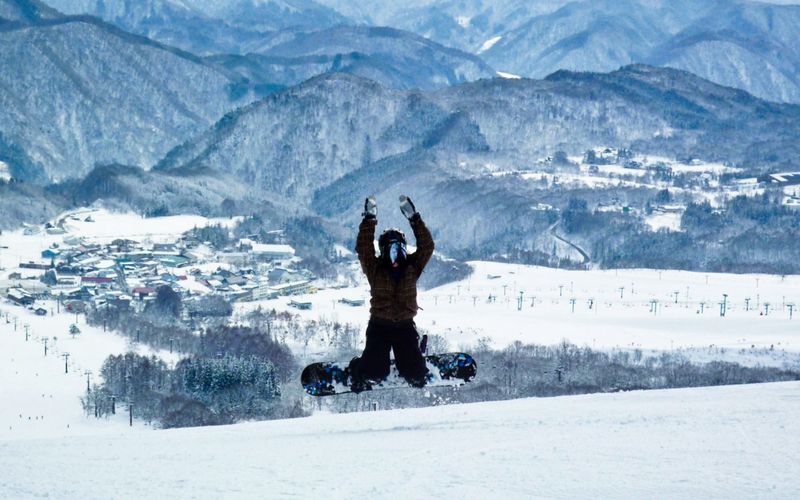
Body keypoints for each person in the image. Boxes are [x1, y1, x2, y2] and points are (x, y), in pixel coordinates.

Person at [347, 194, 435, 392]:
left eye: (399, 247)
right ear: (384, 250)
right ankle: (359, 366)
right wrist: (369, 219)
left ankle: (415, 357)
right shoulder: (375, 268)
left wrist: (414, 218)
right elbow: (364, 248)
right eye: (391, 248)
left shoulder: (412, 267)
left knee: (415, 376)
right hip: (380, 326)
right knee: (373, 374)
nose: (396, 253)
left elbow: (427, 246)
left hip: (404, 326)